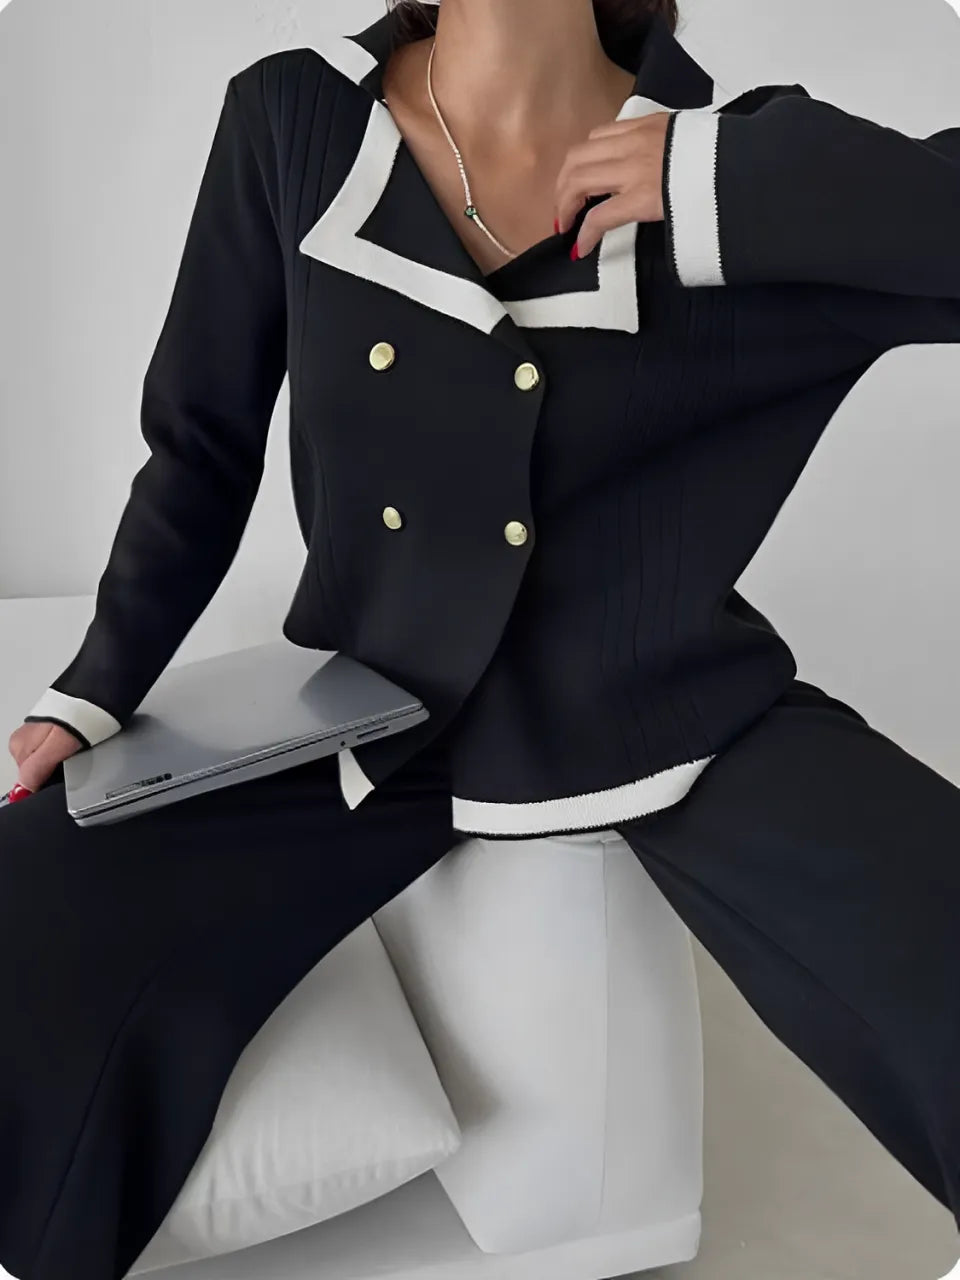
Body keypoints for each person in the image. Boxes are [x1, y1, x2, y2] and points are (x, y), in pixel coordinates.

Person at [3, 0, 960, 1276]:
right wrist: (95, 689)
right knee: (28, 901)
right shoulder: (295, 116)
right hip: (375, 711)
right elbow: (200, 445)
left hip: (675, 711)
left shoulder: (723, 166)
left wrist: (734, 177)